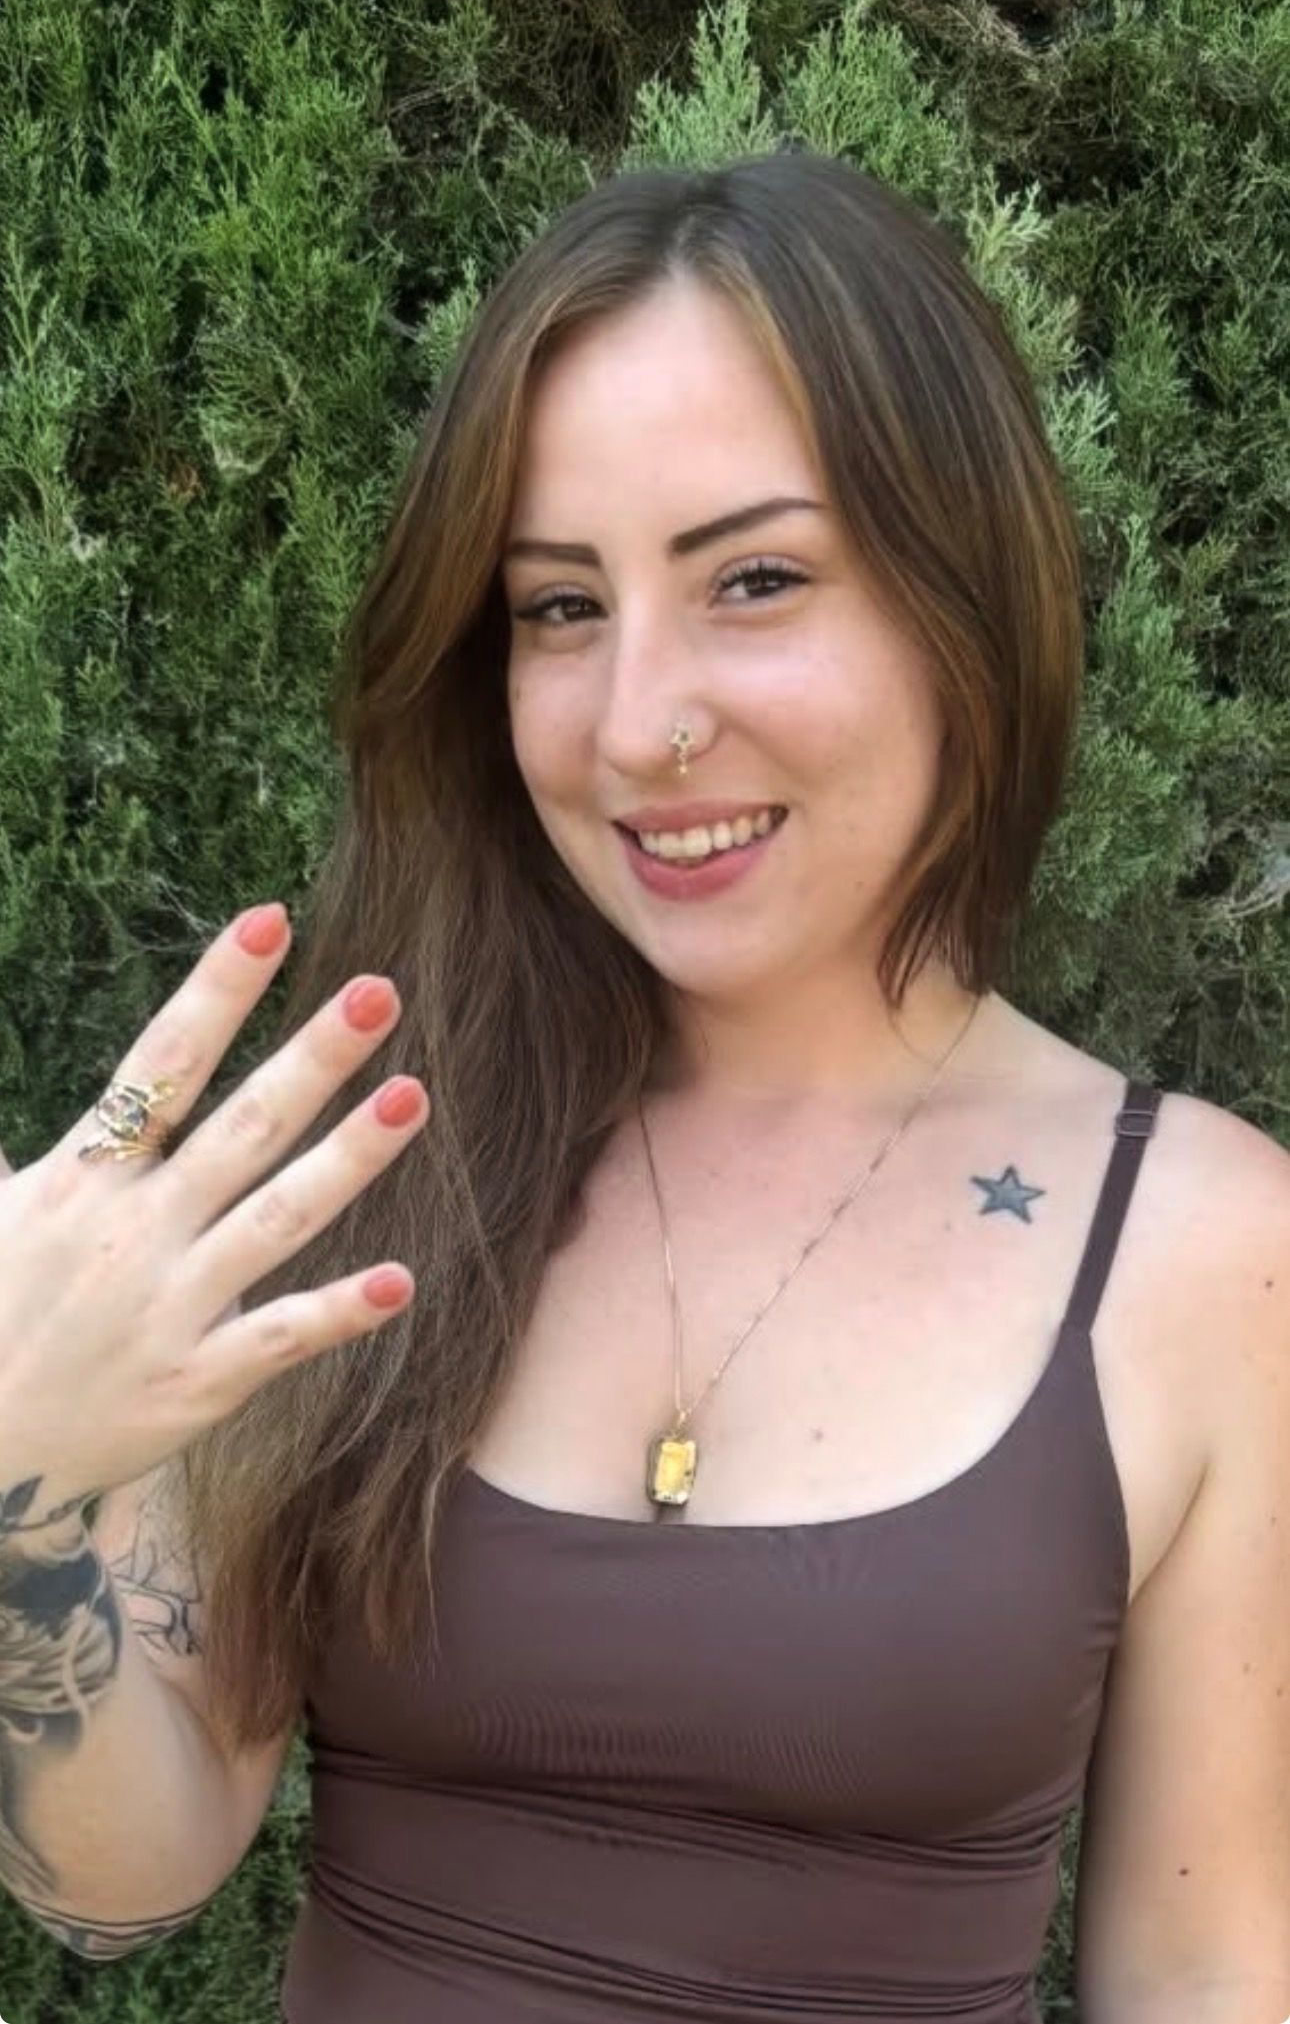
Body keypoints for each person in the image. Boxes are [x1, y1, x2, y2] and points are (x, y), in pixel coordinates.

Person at [0, 150, 1287, 2024]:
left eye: (753, 578)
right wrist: (22, 1500)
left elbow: (1204, 1960)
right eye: (557, 608)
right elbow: (121, 1884)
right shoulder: (368, 1155)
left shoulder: (1209, 1250)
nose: (635, 724)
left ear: (964, 598)